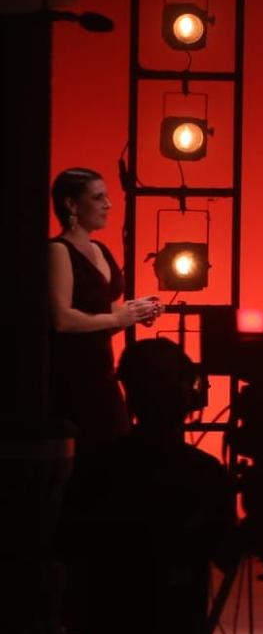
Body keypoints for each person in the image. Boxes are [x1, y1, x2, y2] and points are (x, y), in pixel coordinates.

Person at [61, 337, 238, 634]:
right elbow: (228, 554)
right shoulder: (203, 474)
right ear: (186, 397)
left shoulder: (95, 467)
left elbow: (67, 545)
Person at [48, 168, 162, 447]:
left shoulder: (100, 249)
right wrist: (116, 317)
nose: (108, 204)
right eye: (98, 197)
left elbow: (109, 318)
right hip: (72, 378)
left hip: (102, 375)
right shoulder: (58, 251)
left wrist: (134, 313)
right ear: (72, 205)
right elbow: (61, 319)